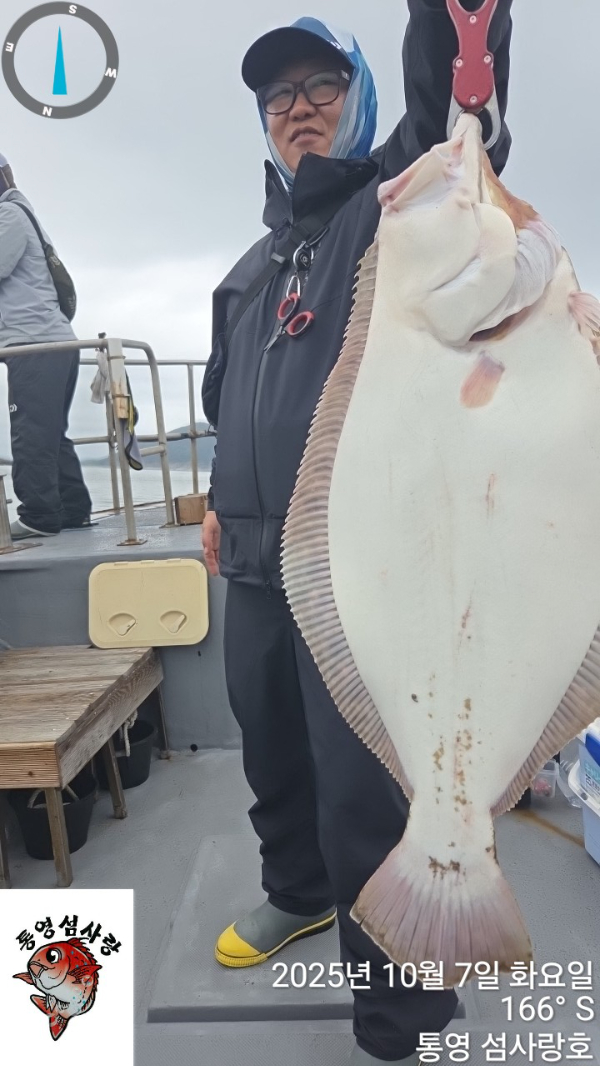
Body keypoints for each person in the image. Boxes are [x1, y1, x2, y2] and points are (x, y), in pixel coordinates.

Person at [201, 5, 513, 1063]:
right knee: (273, 754)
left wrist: (453, 24)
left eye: (321, 88)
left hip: (353, 569)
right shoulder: (249, 270)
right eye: (278, 97)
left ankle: (402, 1014)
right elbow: (227, 401)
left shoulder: (391, 212)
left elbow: (449, 116)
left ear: (360, 98)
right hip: (251, 567)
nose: (298, 110)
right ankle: (296, 892)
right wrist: (217, 501)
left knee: (364, 796)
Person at [0, 154, 92, 539]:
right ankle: (73, 509)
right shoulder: (21, 214)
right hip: (52, 343)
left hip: (35, 344)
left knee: (31, 433)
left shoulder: (9, 216)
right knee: (51, 433)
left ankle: (38, 516)